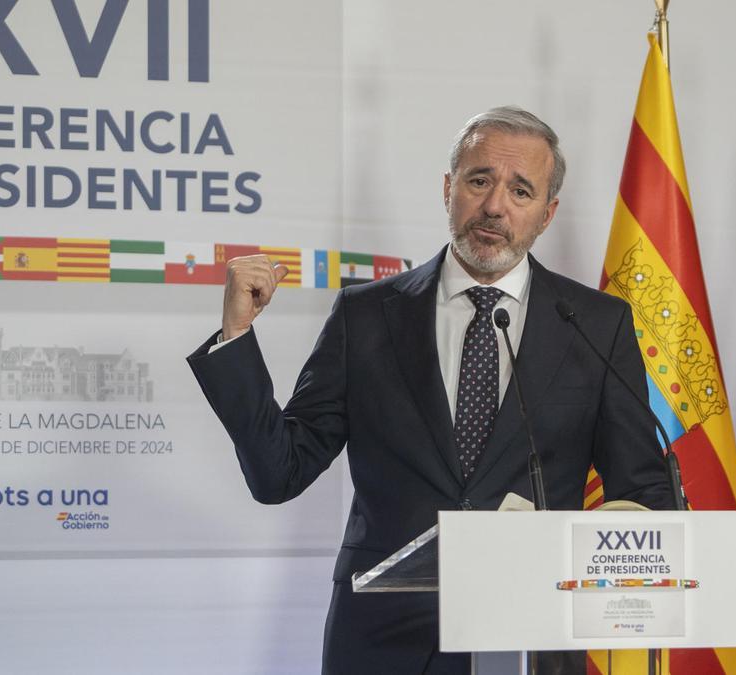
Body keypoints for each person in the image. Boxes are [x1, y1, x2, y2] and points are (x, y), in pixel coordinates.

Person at [187, 106, 675, 675]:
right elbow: (280, 473)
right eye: (479, 181)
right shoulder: (365, 316)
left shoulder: (594, 325)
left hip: (528, 638)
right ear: (448, 189)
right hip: (381, 639)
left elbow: (644, 495)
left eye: (521, 191)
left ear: (547, 214)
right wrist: (237, 336)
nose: (495, 206)